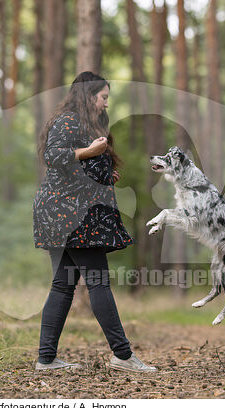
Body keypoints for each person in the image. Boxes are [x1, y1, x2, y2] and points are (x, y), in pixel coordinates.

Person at [33, 71, 156, 373]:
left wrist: (103, 170)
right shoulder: (69, 121)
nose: (105, 104)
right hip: (70, 216)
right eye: (103, 98)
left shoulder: (82, 123)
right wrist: (91, 152)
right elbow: (53, 156)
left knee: (63, 285)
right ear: (88, 96)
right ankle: (123, 355)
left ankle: (46, 359)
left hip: (65, 213)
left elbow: (75, 169)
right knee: (98, 282)